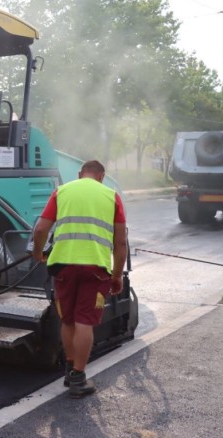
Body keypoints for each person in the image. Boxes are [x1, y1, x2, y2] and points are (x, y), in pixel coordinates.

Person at [30, 160, 128, 399]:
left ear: (79, 174)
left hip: (63, 266)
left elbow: (41, 229)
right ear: (101, 176)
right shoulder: (111, 196)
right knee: (85, 321)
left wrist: (38, 253)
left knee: (69, 319)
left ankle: (68, 369)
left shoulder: (62, 191)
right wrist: (116, 277)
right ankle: (78, 378)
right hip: (95, 268)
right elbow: (120, 243)